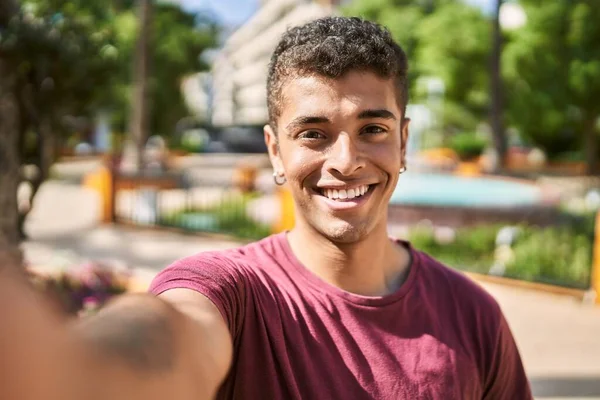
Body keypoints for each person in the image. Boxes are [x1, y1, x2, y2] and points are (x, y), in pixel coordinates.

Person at [0, 17, 532, 400]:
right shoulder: (232, 294)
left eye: (372, 129)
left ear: (404, 141)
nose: (346, 161)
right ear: (276, 150)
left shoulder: (473, 315)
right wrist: (72, 369)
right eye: (313, 134)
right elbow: (168, 335)